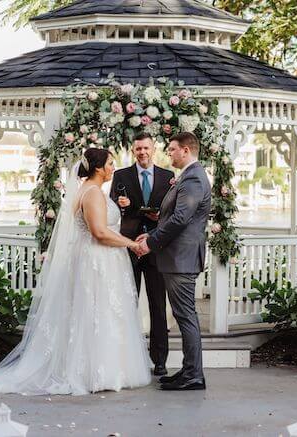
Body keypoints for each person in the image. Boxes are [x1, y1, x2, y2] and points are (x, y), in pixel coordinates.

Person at [0, 148, 151, 396]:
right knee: (96, 312)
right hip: (97, 261)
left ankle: (104, 368)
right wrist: (132, 244)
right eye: (110, 163)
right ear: (98, 168)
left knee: (98, 312)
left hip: (100, 259)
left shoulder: (89, 190)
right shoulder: (92, 194)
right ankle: (96, 372)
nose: (113, 167)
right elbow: (99, 232)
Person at [135, 132, 211, 391]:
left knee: (185, 316)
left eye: (172, 149)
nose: (169, 154)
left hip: (181, 259)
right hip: (177, 257)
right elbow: (173, 217)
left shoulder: (193, 179)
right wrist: (153, 232)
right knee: (183, 314)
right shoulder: (188, 177)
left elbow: (180, 219)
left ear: (186, 151)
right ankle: (189, 370)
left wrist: (151, 243)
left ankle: (193, 375)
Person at [110, 132, 174, 376]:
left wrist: (160, 217)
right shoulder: (121, 175)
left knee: (158, 304)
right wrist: (121, 205)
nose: (142, 153)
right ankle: (127, 358)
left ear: (153, 149)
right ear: (133, 150)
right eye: (138, 149)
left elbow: (174, 210)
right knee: (128, 302)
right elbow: (110, 209)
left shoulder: (168, 177)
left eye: (146, 148)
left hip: (156, 247)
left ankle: (159, 360)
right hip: (129, 246)